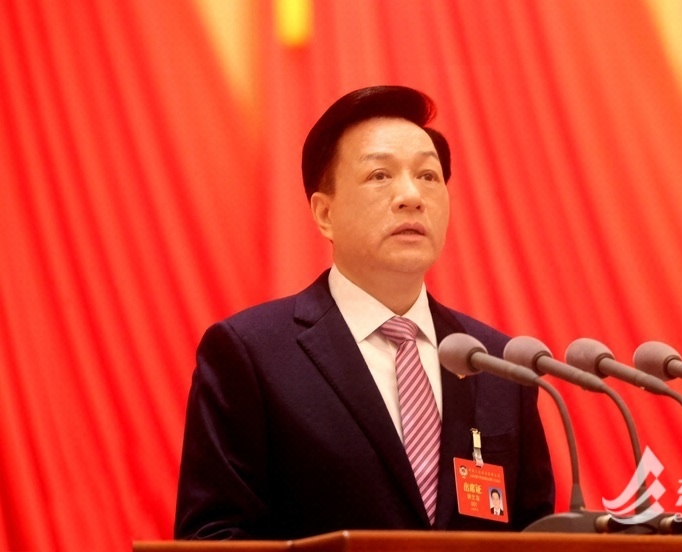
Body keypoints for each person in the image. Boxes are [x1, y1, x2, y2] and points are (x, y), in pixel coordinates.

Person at [174, 85, 554, 540]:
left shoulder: (497, 365)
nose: (411, 195)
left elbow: (537, 535)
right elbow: (213, 538)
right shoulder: (251, 355)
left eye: (428, 176)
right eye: (380, 175)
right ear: (324, 213)